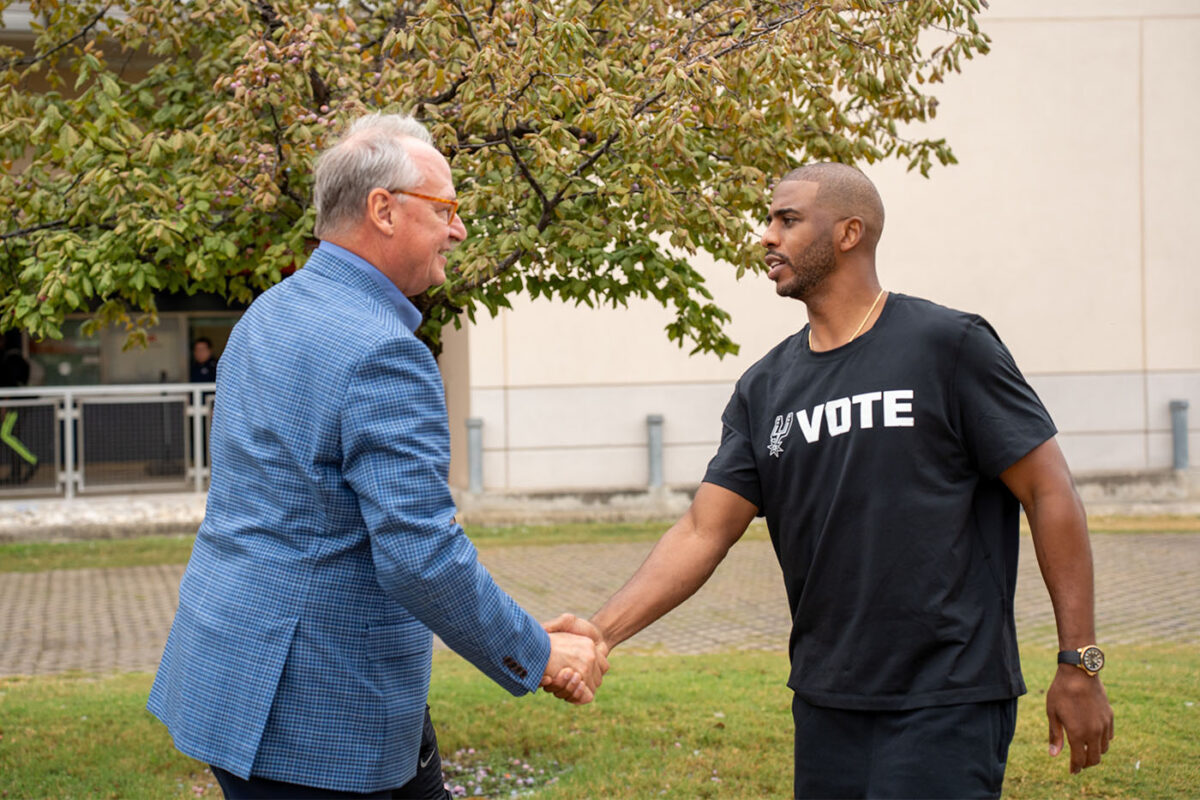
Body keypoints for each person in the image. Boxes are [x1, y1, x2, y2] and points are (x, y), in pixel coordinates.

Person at [547, 163, 1114, 798]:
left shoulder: (948, 345)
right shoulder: (765, 387)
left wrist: (1079, 661)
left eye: (787, 220)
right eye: (769, 220)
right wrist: (602, 632)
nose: (766, 236)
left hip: (947, 697)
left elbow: (1049, 491)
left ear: (849, 233)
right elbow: (703, 529)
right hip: (825, 701)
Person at [148, 113, 605, 800]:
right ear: (382, 210)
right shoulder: (382, 352)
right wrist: (536, 654)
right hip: (317, 713)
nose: (458, 229)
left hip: (233, 679)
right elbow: (419, 554)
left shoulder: (267, 314)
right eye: (445, 208)